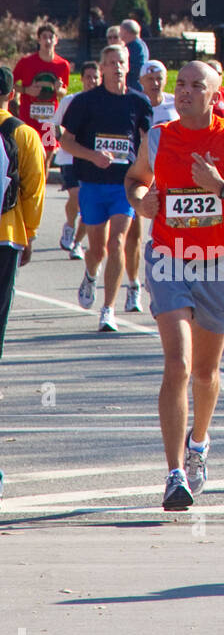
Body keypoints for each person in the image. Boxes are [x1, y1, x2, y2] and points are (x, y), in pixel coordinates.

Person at [123, 61, 224, 510]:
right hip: (170, 261)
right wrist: (141, 201)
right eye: (181, 85)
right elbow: (134, 180)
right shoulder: (159, 135)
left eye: (196, 86)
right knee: (178, 364)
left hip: (219, 263)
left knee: (207, 374)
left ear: (215, 93)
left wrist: (223, 187)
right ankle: (173, 475)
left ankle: (199, 445)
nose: (185, 92)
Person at [58, 44, 153, 333]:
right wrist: (93, 156)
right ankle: (90, 273)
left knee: (118, 243)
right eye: (111, 62)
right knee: (97, 249)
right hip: (92, 184)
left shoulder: (139, 103)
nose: (117, 67)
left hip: (124, 186)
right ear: (102, 68)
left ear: (128, 66)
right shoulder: (85, 102)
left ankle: (108, 309)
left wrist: (149, 174)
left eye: (121, 62)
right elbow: (66, 141)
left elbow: (149, 142)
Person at [0, 64, 46, 400]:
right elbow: (33, 190)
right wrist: (29, 232)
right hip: (8, 231)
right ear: (12, 95)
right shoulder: (24, 134)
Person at [122, 59, 180, 314]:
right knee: (134, 232)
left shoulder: (175, 105)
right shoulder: (133, 104)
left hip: (171, 179)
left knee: (166, 232)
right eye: (150, 79)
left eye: (160, 79)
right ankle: (134, 284)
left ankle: (162, 281)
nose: (155, 84)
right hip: (140, 173)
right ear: (141, 81)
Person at [50, 61, 99, 262]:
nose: (92, 81)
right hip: (69, 157)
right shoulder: (70, 101)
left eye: (96, 77)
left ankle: (77, 243)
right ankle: (70, 226)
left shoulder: (106, 103)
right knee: (77, 197)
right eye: (88, 77)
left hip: (95, 159)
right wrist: (61, 141)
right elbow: (54, 125)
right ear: (82, 79)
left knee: (90, 202)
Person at [12, 24, 71, 166]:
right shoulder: (26, 62)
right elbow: (11, 85)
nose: (48, 41)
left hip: (49, 117)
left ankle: (42, 188)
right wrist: (26, 90)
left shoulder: (62, 65)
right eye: (44, 37)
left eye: (51, 37)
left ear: (56, 40)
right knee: (27, 156)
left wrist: (59, 90)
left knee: (47, 156)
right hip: (29, 116)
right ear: (39, 40)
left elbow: (64, 91)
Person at [120, 20, 149, 93]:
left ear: (125, 32)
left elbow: (137, 66)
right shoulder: (141, 44)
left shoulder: (134, 46)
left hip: (133, 86)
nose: (119, 34)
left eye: (121, 31)